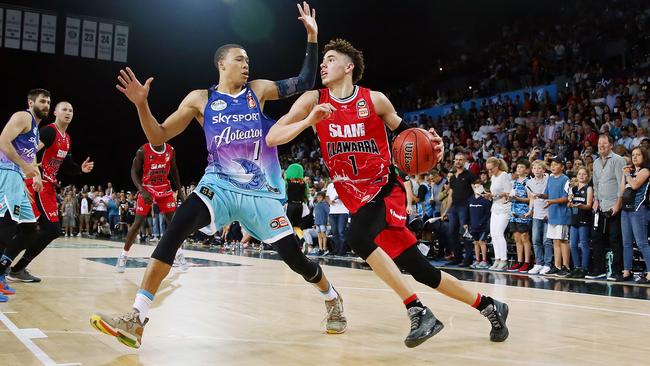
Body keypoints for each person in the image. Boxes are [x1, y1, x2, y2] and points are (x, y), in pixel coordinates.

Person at [91, 2, 347, 349]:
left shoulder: (258, 90)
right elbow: (159, 137)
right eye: (240, 59)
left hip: (263, 191)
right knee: (176, 228)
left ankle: (331, 297)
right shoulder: (200, 99)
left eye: (248, 60)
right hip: (219, 186)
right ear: (222, 63)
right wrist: (141, 104)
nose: (247, 64)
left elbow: (304, 81)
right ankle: (136, 317)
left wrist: (312, 37)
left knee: (296, 260)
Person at [266, 38, 509, 346]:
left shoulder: (375, 100)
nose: (323, 65)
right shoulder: (314, 100)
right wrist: (309, 122)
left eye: (330, 59)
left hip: (384, 190)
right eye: (323, 60)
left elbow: (412, 138)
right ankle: (490, 306)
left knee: (357, 238)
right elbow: (273, 138)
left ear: (348, 67)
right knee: (422, 271)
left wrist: (436, 146)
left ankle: (417, 311)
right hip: (356, 200)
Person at [8, 101, 94, 283]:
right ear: (55, 112)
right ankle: (14, 267)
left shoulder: (67, 138)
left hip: (48, 187)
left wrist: (81, 169)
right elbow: (29, 151)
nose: (68, 112)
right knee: (49, 229)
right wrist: (32, 172)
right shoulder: (49, 131)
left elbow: (67, 165)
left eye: (71, 110)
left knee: (28, 229)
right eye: (64, 109)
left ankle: (14, 267)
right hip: (38, 184)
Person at [0, 89, 49, 302]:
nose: (46, 105)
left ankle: (2, 269)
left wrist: (36, 175)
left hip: (18, 177)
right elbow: (3, 141)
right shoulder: (23, 116)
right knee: (7, 224)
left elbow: (31, 158)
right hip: (7, 173)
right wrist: (23, 167)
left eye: (48, 102)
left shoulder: (36, 130)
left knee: (30, 229)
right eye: (42, 101)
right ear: (31, 102)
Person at [115, 143, 185, 273]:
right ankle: (123, 256)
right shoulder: (142, 151)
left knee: (174, 224)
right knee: (137, 224)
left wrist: (180, 191)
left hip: (164, 189)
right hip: (147, 189)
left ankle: (179, 253)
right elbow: (133, 172)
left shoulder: (171, 150)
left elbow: (174, 169)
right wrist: (141, 190)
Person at [587, 134, 625, 280]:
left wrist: (618, 204)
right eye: (599, 144)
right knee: (596, 238)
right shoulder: (596, 162)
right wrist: (596, 199)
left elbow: (622, 183)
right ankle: (599, 269)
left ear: (611, 145)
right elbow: (595, 184)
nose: (601, 146)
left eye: (604, 144)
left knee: (615, 238)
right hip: (600, 206)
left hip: (614, 206)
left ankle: (617, 270)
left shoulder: (618, 160)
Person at [619, 147, 650, 283]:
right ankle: (627, 271)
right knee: (626, 243)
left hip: (639, 209)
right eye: (633, 155)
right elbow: (621, 191)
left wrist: (627, 176)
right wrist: (624, 175)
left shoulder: (646, 171)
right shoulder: (630, 172)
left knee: (642, 243)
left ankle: (649, 272)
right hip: (626, 209)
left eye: (638, 155)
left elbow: (636, 185)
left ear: (644, 157)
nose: (635, 157)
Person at [525, 160, 553, 275]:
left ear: (544, 169)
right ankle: (538, 263)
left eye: (539, 168)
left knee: (546, 241)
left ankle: (547, 264)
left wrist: (550, 212)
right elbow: (531, 198)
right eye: (535, 168)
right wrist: (530, 210)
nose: (537, 170)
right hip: (536, 214)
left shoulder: (548, 180)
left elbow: (551, 195)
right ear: (532, 170)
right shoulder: (529, 183)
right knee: (536, 240)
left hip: (547, 213)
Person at [484, 157, 512, 271]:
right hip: (495, 207)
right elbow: (495, 192)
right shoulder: (493, 177)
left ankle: (504, 260)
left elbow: (508, 192)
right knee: (493, 234)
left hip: (504, 207)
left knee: (499, 233)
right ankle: (497, 258)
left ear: (497, 166)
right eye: (488, 169)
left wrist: (494, 195)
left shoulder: (504, 175)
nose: (489, 172)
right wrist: (489, 195)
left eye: (491, 169)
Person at [566, 167, 593, 279]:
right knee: (572, 244)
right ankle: (576, 267)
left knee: (583, 244)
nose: (581, 176)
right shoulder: (574, 188)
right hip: (574, 219)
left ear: (588, 176)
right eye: (579, 174)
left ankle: (584, 268)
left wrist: (580, 205)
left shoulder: (589, 188)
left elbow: (589, 205)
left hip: (584, 219)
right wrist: (570, 201)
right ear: (576, 176)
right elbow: (569, 204)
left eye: (584, 174)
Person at [507, 159, 532, 273]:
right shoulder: (515, 181)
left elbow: (531, 199)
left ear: (527, 170)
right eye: (518, 167)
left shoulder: (528, 181)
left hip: (523, 212)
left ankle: (527, 262)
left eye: (521, 167)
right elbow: (512, 195)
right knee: (516, 238)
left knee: (524, 237)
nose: (519, 169)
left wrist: (518, 199)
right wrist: (509, 199)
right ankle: (519, 261)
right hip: (513, 212)